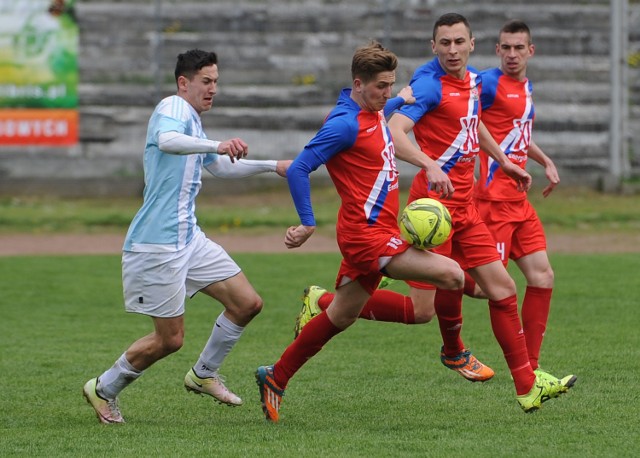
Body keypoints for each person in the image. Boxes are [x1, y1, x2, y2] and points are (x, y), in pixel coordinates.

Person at [255, 41, 466, 423]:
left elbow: (387, 106)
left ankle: (276, 376)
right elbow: (301, 168)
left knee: (340, 316)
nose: (386, 93)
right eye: (380, 87)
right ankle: (454, 352)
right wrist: (306, 223)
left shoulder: (374, 110)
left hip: (380, 230)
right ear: (358, 84)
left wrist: (399, 100)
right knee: (452, 274)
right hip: (365, 236)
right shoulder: (343, 124)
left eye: (390, 85)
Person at [82, 49, 290, 424]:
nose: (213, 89)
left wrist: (273, 167)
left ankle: (203, 374)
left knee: (247, 303)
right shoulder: (173, 109)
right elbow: (166, 141)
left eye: (216, 82)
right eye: (206, 82)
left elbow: (220, 169)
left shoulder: (192, 120)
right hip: (157, 244)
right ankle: (103, 388)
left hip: (188, 238)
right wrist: (217, 144)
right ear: (184, 83)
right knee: (170, 339)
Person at [386, 12, 576, 412]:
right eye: (445, 43)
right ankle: (327, 304)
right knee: (423, 309)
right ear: (433, 46)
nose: (452, 50)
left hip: (467, 207)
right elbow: (395, 130)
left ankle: (527, 386)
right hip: (433, 212)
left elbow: (475, 125)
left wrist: (503, 160)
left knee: (503, 289)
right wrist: (430, 164)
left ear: (471, 45)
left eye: (459, 42)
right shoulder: (429, 85)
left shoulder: (472, 81)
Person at [469, 20, 575, 380]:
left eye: (519, 48)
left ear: (531, 51)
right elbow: (463, 117)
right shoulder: (486, 83)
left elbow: (516, 133)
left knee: (543, 275)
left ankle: (532, 368)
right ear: (497, 50)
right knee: (487, 289)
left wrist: (544, 160)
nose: (512, 54)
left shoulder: (525, 86)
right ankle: (434, 270)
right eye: (505, 47)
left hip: (519, 200)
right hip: (492, 201)